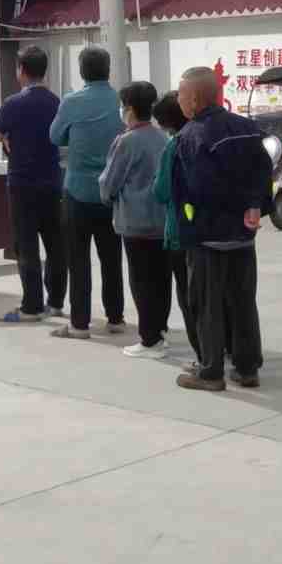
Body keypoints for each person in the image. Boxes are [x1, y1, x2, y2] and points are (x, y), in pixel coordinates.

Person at [171, 66, 273, 392]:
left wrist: (187, 229)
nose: (178, 100)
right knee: (243, 302)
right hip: (243, 234)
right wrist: (254, 207)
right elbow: (263, 171)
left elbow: (193, 189)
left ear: (195, 98)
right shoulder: (246, 128)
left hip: (208, 235)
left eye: (181, 94)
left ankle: (211, 371)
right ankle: (247, 368)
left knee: (206, 304)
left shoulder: (191, 135)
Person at [49, 44, 125, 339]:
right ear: (108, 70)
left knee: (77, 259)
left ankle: (79, 324)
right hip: (111, 192)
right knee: (111, 258)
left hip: (77, 190)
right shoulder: (120, 100)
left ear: (82, 71)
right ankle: (115, 318)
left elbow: (55, 136)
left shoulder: (72, 102)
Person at [0, 47, 66, 323]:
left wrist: (7, 136)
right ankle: (56, 302)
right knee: (55, 244)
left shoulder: (13, 103)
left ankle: (32, 306)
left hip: (22, 183)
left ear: (21, 69)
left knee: (27, 245)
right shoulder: (57, 102)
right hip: (52, 181)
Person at [100, 81, 173, 357]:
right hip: (161, 221)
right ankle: (160, 331)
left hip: (135, 223)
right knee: (161, 280)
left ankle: (149, 339)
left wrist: (108, 198)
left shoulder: (126, 141)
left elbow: (109, 183)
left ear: (129, 108)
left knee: (141, 282)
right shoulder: (163, 138)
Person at [150, 90, 201, 364]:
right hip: (210, 231)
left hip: (181, 231)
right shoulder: (204, 135)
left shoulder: (174, 146)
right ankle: (225, 348)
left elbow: (161, 191)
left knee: (189, 297)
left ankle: (203, 356)